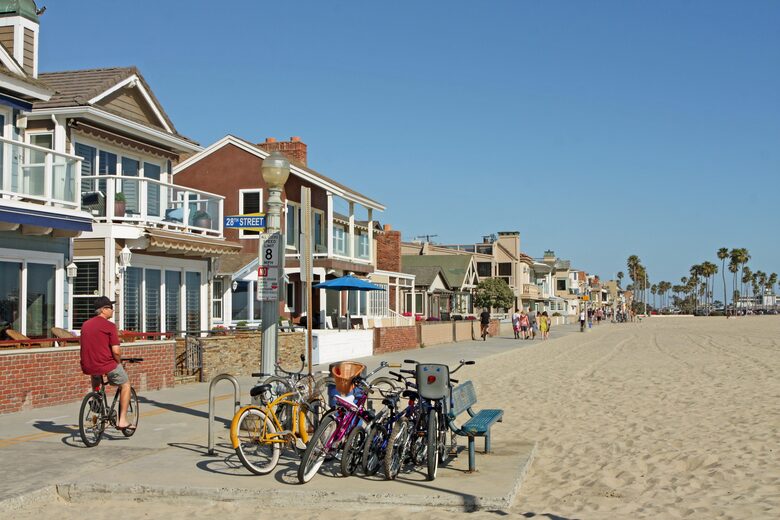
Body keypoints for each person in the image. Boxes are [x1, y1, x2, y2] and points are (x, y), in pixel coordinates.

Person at [79, 296, 134, 432]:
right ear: (103, 310)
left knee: (96, 375)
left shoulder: (85, 325)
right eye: (110, 307)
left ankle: (97, 403)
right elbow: (116, 351)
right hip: (106, 364)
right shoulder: (110, 326)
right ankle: (122, 420)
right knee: (125, 385)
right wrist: (118, 362)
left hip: (88, 365)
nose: (112, 310)